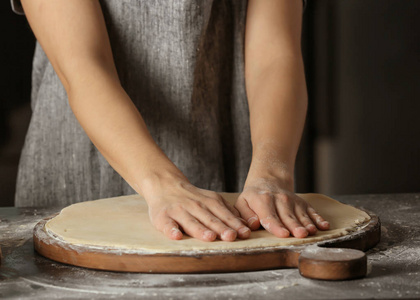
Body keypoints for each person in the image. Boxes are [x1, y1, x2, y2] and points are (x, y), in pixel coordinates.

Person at [13, 0, 329, 242]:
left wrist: (271, 174)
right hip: (77, 174)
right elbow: (83, 66)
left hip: (234, 192)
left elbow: (274, 57)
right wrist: (163, 184)